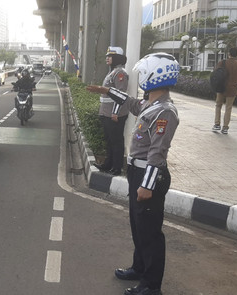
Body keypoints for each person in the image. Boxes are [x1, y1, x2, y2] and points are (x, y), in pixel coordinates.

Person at [87, 52, 180, 295]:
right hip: (137, 173)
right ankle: (139, 268)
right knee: (138, 227)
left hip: (149, 176)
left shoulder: (165, 111)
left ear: (155, 75)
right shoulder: (152, 104)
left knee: (150, 233)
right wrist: (107, 91)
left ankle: (151, 285)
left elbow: (158, 153)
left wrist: (147, 186)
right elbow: (132, 103)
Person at [94, 46, 129, 175]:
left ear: (117, 58)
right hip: (106, 113)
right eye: (107, 56)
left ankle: (117, 167)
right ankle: (108, 164)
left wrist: (115, 112)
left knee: (116, 141)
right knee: (109, 140)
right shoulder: (113, 72)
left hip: (114, 114)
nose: (107, 58)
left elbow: (121, 94)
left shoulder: (120, 73)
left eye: (110, 56)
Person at [212, 47, 237, 134]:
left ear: (228, 54)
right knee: (228, 108)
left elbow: (215, 73)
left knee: (218, 105)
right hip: (232, 89)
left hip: (221, 87)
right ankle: (225, 127)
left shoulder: (222, 62)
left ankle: (217, 124)